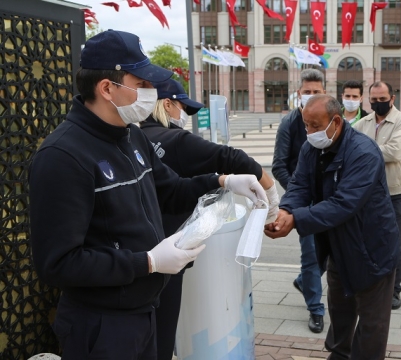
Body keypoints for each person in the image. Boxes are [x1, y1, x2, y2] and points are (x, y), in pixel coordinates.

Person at [28, 30, 266, 359]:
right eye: (141, 84)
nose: (150, 93)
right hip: (101, 325)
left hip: (144, 311)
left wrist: (223, 181)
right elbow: (59, 263)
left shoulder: (132, 138)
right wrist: (149, 262)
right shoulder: (63, 156)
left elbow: (170, 191)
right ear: (107, 88)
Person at [140, 77, 280, 360]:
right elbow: (233, 156)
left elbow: (176, 188)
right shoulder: (174, 140)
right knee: (161, 339)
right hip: (166, 259)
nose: (184, 117)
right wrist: (271, 192)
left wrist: (223, 181)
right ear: (166, 104)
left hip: (137, 257)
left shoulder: (135, 139)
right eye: (182, 108)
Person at [265, 95, 399, 359]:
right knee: (339, 312)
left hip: (373, 250)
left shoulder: (363, 152)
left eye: (315, 126)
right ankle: (338, 354)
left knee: (372, 327)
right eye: (306, 125)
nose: (309, 132)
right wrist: (285, 210)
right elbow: (299, 185)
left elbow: (344, 203)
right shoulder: (310, 148)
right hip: (338, 247)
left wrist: (296, 220)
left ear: (336, 122)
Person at [271, 68, 326, 333]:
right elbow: (279, 166)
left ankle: (305, 281)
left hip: (331, 200)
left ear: (325, 93)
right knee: (312, 254)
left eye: (317, 92)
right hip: (302, 201)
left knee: (328, 253)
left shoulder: (334, 120)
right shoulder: (289, 124)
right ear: (298, 94)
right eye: (307, 92)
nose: (311, 96)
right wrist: (298, 191)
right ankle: (316, 309)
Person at [353, 81, 401, 310]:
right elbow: (348, 146)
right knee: (369, 240)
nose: (378, 103)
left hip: (396, 191)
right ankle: (372, 283)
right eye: (374, 99)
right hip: (369, 192)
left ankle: (394, 290)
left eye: (382, 99)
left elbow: (395, 152)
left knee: (394, 243)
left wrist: (364, 151)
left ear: (392, 98)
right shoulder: (362, 124)